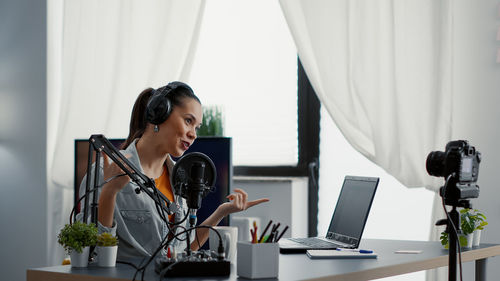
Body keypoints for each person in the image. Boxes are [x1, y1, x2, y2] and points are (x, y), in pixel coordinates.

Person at [79, 81, 269, 259]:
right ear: (159, 114)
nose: (193, 134)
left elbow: (185, 251)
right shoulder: (106, 171)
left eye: (197, 127)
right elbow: (90, 252)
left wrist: (221, 212)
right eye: (188, 121)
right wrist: (110, 192)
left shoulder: (180, 178)